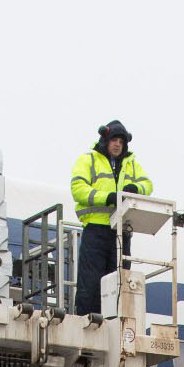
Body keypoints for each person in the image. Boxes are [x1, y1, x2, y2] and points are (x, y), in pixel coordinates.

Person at [70, 120, 152, 314]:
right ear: (105, 140)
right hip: (96, 229)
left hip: (121, 230)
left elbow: (147, 185)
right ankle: (88, 321)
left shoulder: (131, 164)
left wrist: (136, 189)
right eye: (114, 140)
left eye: (121, 142)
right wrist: (106, 198)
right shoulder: (89, 159)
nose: (117, 144)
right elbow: (78, 189)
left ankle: (115, 321)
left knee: (119, 282)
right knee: (90, 283)